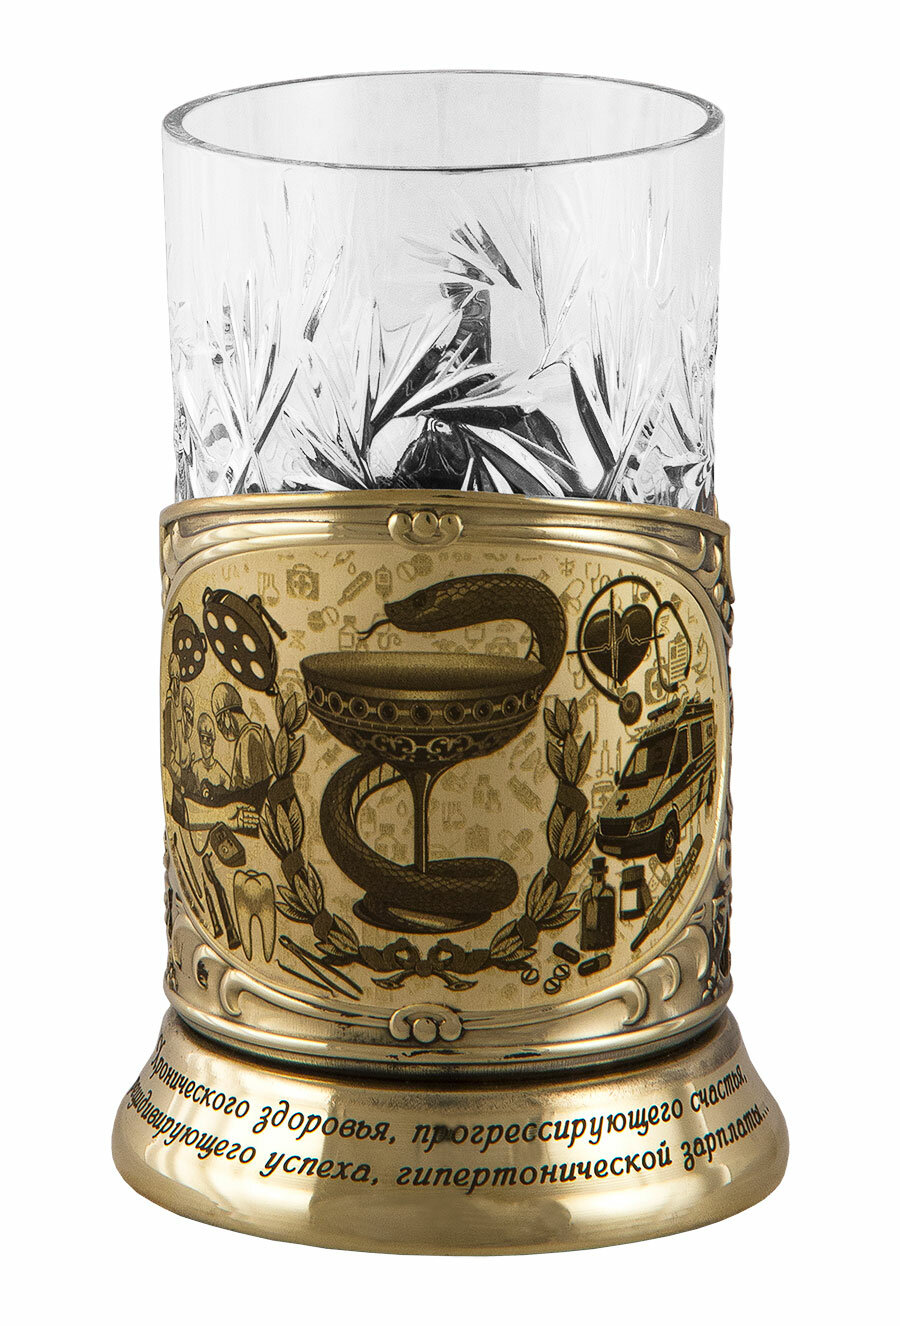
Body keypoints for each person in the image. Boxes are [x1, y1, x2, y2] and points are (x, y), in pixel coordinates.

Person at [211, 682, 273, 789]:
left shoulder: (248, 737)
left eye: (220, 722)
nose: (221, 729)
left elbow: (251, 788)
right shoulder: (254, 733)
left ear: (227, 715)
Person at [192, 711, 230, 798]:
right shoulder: (195, 768)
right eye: (202, 739)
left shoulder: (223, 776)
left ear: (213, 742)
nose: (205, 746)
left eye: (208, 740)